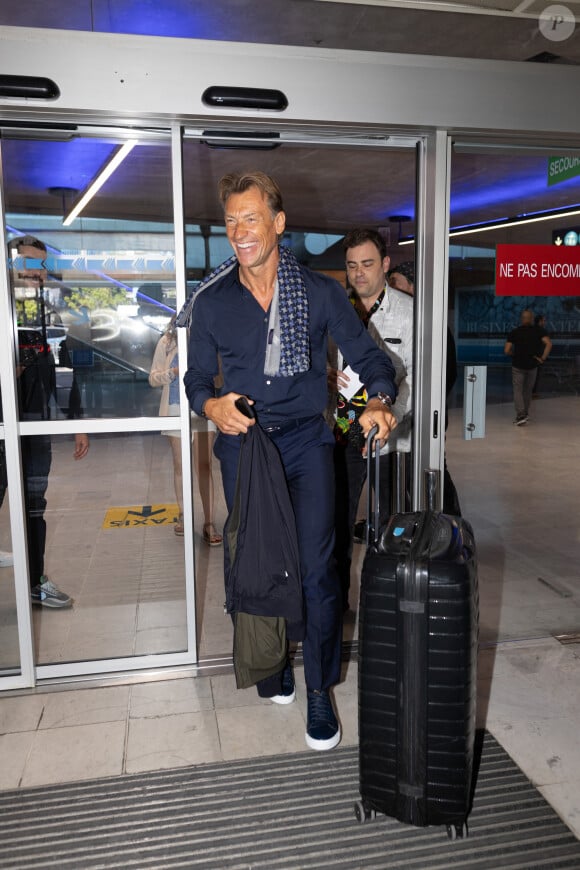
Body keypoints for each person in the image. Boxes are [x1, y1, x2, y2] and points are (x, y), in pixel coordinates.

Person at [178, 170, 398, 752]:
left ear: (278, 223)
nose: (239, 231)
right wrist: (210, 403)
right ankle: (271, 662)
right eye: (230, 220)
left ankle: (321, 687)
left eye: (250, 217)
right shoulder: (213, 299)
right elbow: (194, 377)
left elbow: (373, 361)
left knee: (318, 570)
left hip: (306, 445)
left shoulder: (321, 293)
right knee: (255, 564)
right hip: (245, 446)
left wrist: (378, 401)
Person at [329, 229, 413, 612]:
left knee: (396, 524)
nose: (358, 273)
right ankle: (338, 601)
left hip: (392, 436)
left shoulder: (410, 313)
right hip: (343, 429)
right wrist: (324, 374)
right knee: (338, 522)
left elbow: (414, 377)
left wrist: (389, 415)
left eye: (366, 264)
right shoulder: (334, 310)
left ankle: (394, 602)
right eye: (351, 266)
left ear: (384, 264)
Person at [4, 234, 89, 608]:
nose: (37, 275)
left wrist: (77, 423)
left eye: (42, 267)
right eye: (29, 266)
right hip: (3, 428)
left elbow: (65, 370)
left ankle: (36, 582)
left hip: (35, 428)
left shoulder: (48, 316)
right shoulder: (6, 315)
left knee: (34, 507)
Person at [387, 261, 462, 516]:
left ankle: (449, 526)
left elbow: (447, 373)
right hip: (398, 417)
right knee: (398, 475)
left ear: (412, 285)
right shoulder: (394, 320)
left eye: (395, 281)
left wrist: (424, 402)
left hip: (426, 417)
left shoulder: (433, 324)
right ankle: (407, 527)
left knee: (432, 471)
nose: (391, 287)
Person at [149, 316, 222, 545]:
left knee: (204, 465)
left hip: (203, 408)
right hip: (173, 409)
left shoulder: (210, 340)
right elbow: (152, 378)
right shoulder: (167, 342)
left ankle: (209, 522)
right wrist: (173, 372)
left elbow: (219, 380)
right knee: (180, 465)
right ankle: (183, 515)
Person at [504, 308, 552, 425]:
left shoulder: (514, 332)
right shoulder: (539, 331)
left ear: (522, 319)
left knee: (518, 391)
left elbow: (506, 350)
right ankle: (524, 413)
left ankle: (521, 415)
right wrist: (542, 359)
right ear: (531, 319)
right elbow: (549, 344)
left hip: (518, 365)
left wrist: (513, 354)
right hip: (532, 365)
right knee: (527, 391)